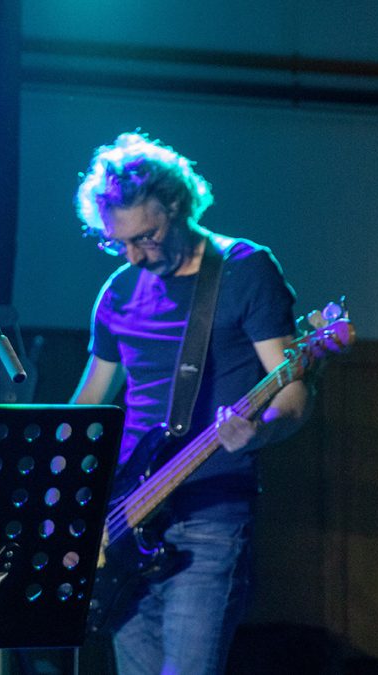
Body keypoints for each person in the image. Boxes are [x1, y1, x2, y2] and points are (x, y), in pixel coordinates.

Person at [70, 132, 310, 675]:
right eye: (118, 243)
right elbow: (88, 405)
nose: (134, 255)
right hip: (124, 517)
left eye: (146, 237)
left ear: (176, 205)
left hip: (210, 515)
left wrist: (261, 430)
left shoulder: (245, 269)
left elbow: (293, 388)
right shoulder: (118, 291)